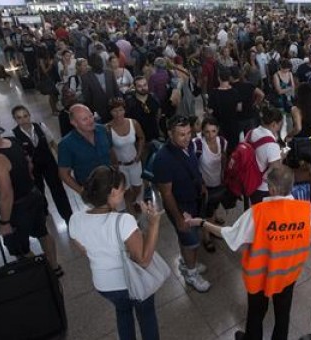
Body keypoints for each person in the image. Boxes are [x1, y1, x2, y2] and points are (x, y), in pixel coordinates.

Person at [184, 165, 311, 340]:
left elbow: (229, 234)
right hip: (287, 275)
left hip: (260, 277)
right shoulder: (305, 210)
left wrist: (201, 223)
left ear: (273, 189)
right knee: (283, 316)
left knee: (256, 314)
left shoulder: (257, 213)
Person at [70, 166, 163, 340]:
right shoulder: (123, 221)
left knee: (123, 313)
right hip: (131, 283)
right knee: (146, 315)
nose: (125, 192)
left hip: (104, 285)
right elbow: (143, 260)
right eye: (122, 189)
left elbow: (82, 248)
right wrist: (154, 224)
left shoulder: (76, 219)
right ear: (112, 192)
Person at [0, 113, 62, 276]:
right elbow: (29, 163)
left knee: (19, 248)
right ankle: (54, 267)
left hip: (18, 207)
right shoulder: (12, 141)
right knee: (43, 233)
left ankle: (42, 276)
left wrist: (4, 223)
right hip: (34, 195)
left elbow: (6, 195)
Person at [153, 115, 211, 292]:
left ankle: (187, 264)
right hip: (181, 206)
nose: (187, 138)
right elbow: (166, 193)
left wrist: (200, 183)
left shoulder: (190, 145)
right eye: (181, 134)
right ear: (170, 134)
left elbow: (193, 166)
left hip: (194, 199)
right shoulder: (163, 159)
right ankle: (191, 274)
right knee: (190, 240)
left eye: (188, 133)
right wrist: (178, 218)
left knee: (188, 238)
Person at [9, 105, 73, 225]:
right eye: (19, 118)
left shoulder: (40, 126)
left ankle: (67, 215)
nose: (23, 120)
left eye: (25, 116)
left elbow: (52, 143)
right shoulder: (14, 134)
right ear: (15, 119)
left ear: (29, 115)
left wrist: (63, 160)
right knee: (38, 191)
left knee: (57, 189)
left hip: (49, 163)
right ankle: (43, 211)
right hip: (32, 168)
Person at [58, 104, 115, 210]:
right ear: (74, 123)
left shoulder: (103, 130)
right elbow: (64, 174)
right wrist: (82, 191)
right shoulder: (66, 144)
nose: (90, 121)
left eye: (90, 116)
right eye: (85, 119)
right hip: (92, 192)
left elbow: (111, 151)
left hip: (111, 185)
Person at [192, 117, 229, 253]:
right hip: (204, 186)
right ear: (202, 132)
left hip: (218, 183)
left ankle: (212, 225)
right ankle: (206, 238)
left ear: (218, 130)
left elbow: (223, 158)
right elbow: (193, 166)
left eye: (213, 131)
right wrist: (200, 184)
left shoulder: (222, 142)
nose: (211, 135)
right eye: (207, 132)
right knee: (205, 211)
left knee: (212, 208)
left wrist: (224, 175)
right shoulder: (197, 144)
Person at [106, 98, 146, 214]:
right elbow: (108, 147)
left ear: (124, 110)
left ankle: (133, 202)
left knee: (138, 187)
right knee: (127, 191)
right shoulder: (107, 128)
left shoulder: (133, 123)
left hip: (135, 162)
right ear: (110, 112)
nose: (118, 114)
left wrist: (139, 154)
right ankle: (131, 213)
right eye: (115, 111)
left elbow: (141, 137)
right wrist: (113, 163)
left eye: (120, 110)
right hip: (120, 166)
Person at [248, 106, 284, 205]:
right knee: (264, 216)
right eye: (279, 125)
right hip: (263, 188)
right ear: (273, 124)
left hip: (250, 181)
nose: (279, 128)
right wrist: (281, 156)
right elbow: (275, 169)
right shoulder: (271, 145)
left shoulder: (252, 132)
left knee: (256, 211)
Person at [81, 53, 120, 123]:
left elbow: (116, 90)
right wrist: (93, 112)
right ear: (91, 64)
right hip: (99, 112)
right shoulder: (86, 77)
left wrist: (119, 105)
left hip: (113, 108)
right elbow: (87, 97)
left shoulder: (109, 73)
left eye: (100, 60)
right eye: (96, 61)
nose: (99, 63)